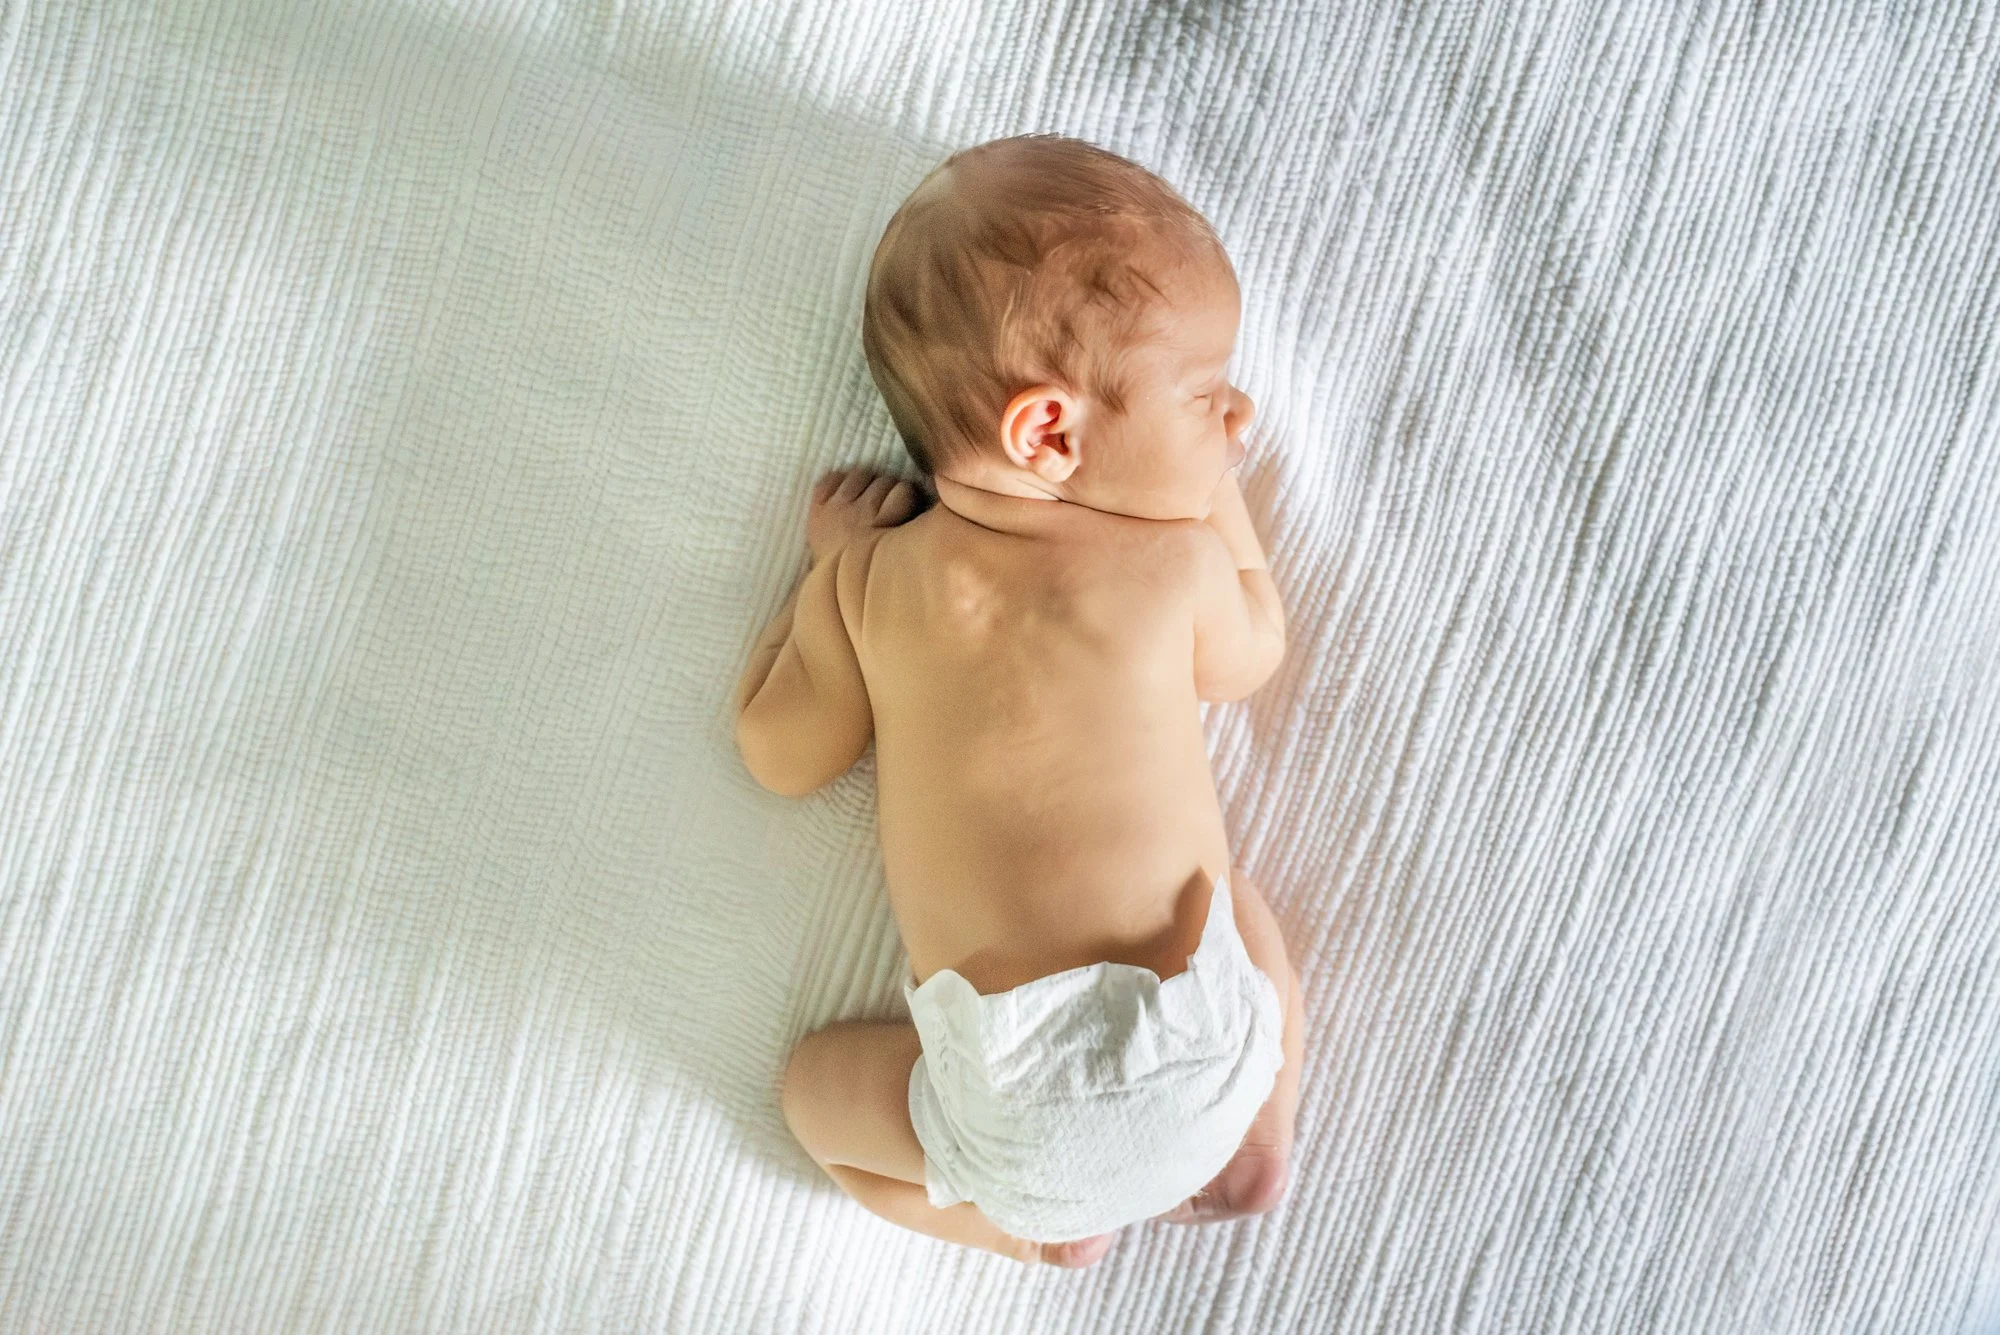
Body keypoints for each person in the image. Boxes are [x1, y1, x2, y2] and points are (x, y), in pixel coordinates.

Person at [734, 134, 1305, 1268]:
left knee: (813, 1104)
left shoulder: (873, 588)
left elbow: (779, 754)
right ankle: (1262, 1133)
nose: (1236, 420)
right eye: (1204, 399)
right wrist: (1211, 506)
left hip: (1008, 1115)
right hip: (1208, 1046)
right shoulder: (1168, 568)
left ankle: (1029, 1239)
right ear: (1048, 433)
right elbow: (1251, 653)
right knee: (1238, 908)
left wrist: (819, 569)